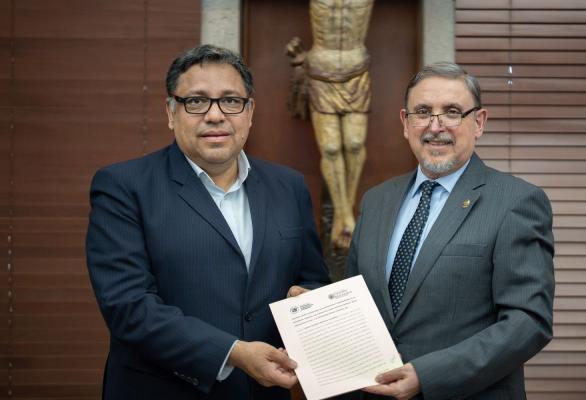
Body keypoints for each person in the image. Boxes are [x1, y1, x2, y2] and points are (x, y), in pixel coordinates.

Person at [85, 44, 330, 400]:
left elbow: (310, 278)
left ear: (250, 112)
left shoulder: (289, 186)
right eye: (196, 102)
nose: (215, 116)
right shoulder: (123, 187)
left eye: (231, 101)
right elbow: (128, 306)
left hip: (264, 392)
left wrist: (311, 305)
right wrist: (234, 353)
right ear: (171, 112)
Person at [346, 62, 555, 399]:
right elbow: (357, 304)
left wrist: (427, 376)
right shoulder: (376, 201)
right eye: (423, 112)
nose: (435, 126)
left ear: (479, 123)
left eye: (452, 112)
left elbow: (528, 322)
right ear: (405, 122)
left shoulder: (516, 202)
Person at [303, 0, 374, 249]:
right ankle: (344, 218)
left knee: (354, 143)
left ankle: (346, 212)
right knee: (331, 148)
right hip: (321, 71)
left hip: (357, 72)